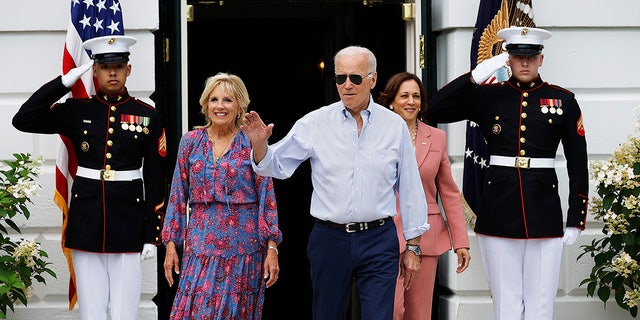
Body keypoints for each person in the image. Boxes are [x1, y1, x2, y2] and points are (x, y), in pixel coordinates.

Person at [242, 45, 430, 320]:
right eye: (341, 78)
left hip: (379, 238)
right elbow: (276, 165)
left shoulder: (394, 126)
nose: (347, 85)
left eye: (355, 78)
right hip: (330, 239)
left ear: (372, 79)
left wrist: (413, 246)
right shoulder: (316, 122)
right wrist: (260, 146)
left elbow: (411, 187)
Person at [426, 26, 588, 320]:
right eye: (516, 56)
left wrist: (576, 217)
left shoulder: (563, 100)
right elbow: (433, 109)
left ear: (541, 59)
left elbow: (579, 163)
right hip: (498, 211)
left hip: (544, 213)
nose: (524, 63)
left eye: (531, 56)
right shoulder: (488, 96)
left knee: (540, 306)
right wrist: (473, 77)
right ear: (508, 59)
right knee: (506, 306)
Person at [12, 35, 166, 320]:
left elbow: (155, 178)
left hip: (129, 220)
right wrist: (62, 83)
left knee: (125, 311)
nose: (112, 72)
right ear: (94, 70)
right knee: (92, 311)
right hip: (87, 218)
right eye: (105, 67)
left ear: (128, 70)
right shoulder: (77, 110)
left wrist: (151, 234)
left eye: (118, 66)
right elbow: (23, 119)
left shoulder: (147, 116)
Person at [161, 72, 282, 319]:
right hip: (199, 245)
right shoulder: (190, 142)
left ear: (239, 106)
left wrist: (272, 248)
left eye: (228, 100)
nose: (220, 106)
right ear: (206, 104)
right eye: (214, 99)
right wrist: (171, 243)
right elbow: (177, 194)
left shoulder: (251, 142)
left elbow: (266, 195)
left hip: (242, 249)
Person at [378, 72, 471, 320]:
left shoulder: (437, 137)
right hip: (383, 234)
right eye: (404, 96)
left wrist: (460, 240)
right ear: (391, 101)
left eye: (416, 96)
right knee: (392, 310)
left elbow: (449, 193)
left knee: (419, 313)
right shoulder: (375, 136)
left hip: (425, 237)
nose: (411, 102)